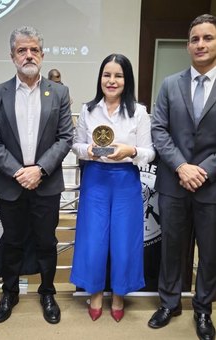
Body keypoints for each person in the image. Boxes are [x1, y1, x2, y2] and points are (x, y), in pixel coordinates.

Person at [0, 26, 73, 325]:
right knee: (12, 242)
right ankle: (9, 293)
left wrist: (40, 170)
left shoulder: (59, 92)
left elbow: (65, 137)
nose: (28, 55)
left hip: (46, 184)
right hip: (11, 184)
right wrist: (20, 172)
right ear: (12, 57)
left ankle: (47, 292)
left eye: (34, 49)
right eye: (22, 50)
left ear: (43, 55)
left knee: (47, 241)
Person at [70, 53, 155, 322]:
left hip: (125, 180)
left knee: (124, 240)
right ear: (100, 78)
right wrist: (90, 150)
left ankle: (119, 294)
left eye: (118, 75)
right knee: (92, 239)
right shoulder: (88, 109)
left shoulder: (139, 112)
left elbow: (149, 152)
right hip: (95, 178)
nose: (112, 80)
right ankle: (94, 292)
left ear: (126, 79)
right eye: (107, 75)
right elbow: (76, 145)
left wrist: (130, 151)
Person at [148, 14, 216, 340]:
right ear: (188, 45)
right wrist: (181, 166)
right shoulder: (169, 84)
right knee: (172, 249)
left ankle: (203, 310)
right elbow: (158, 130)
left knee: (210, 252)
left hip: (212, 186)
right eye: (195, 39)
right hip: (174, 183)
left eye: (208, 38)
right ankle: (169, 304)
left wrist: (203, 170)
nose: (200, 44)